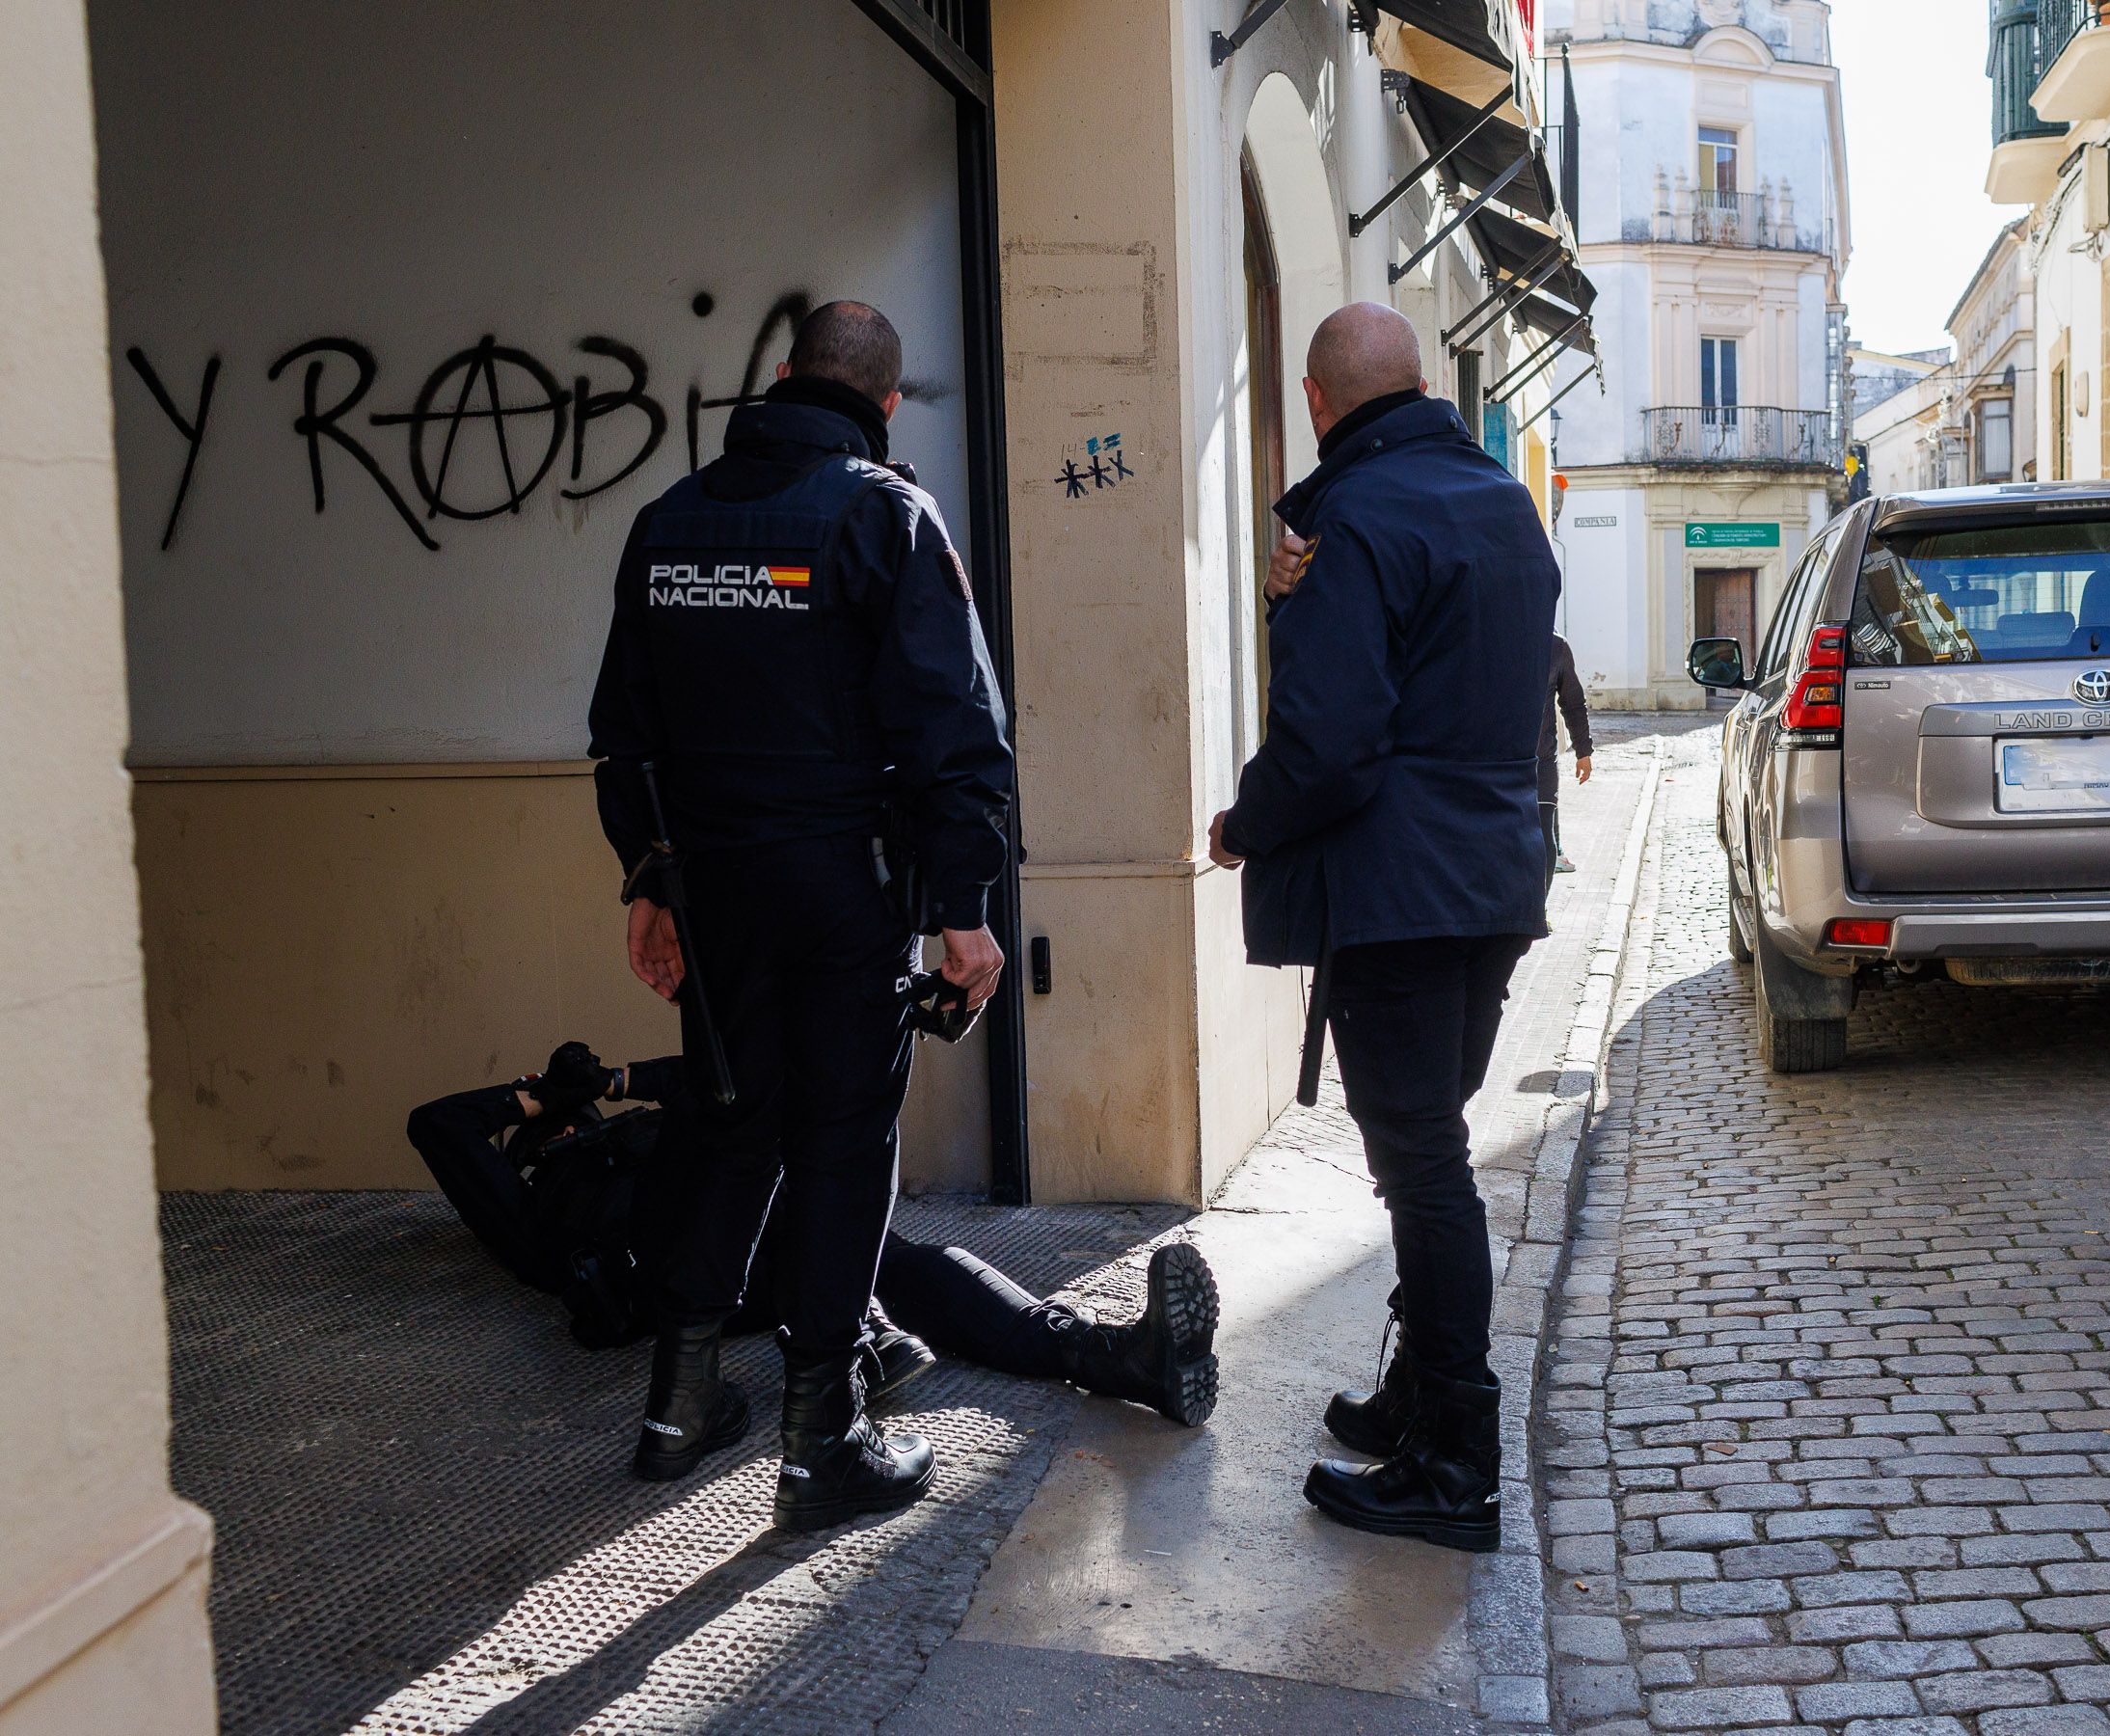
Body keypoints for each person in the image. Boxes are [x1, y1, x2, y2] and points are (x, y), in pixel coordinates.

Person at [587, 300, 1014, 1531]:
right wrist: (963, 912)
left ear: (779, 378)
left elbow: (624, 734)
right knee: (839, 1143)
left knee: (729, 1132)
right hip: (841, 889)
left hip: (715, 889)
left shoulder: (668, 522)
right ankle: (822, 1439)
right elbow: (957, 733)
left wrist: (652, 881)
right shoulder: (886, 514)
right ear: (884, 408)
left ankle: (677, 1409)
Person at [1210, 302, 1557, 1553]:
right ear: (1419, 381)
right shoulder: (1504, 501)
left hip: (1400, 893)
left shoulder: (1350, 518)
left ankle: (1455, 1462)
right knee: (1429, 1147)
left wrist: (1246, 822)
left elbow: (1334, 737)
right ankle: (1420, 1402)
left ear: (1317, 401)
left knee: (1422, 1164)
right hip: (1495, 879)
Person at [404, 1044, 1220, 1423]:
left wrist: (616, 1082)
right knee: (740, 1124)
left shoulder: (638, 1125)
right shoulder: (536, 1204)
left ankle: (1119, 1359)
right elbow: (436, 1124)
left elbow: (721, 1077)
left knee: (892, 1252)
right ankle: (863, 1328)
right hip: (660, 1272)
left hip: (760, 1244)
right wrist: (536, 1098)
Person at [1542, 633, 1592, 884]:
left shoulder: (1556, 647)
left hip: (1542, 761)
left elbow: (1573, 703)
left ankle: (1539, 909)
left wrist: (1583, 752)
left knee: (1544, 835)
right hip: (1502, 762)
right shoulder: (1495, 636)